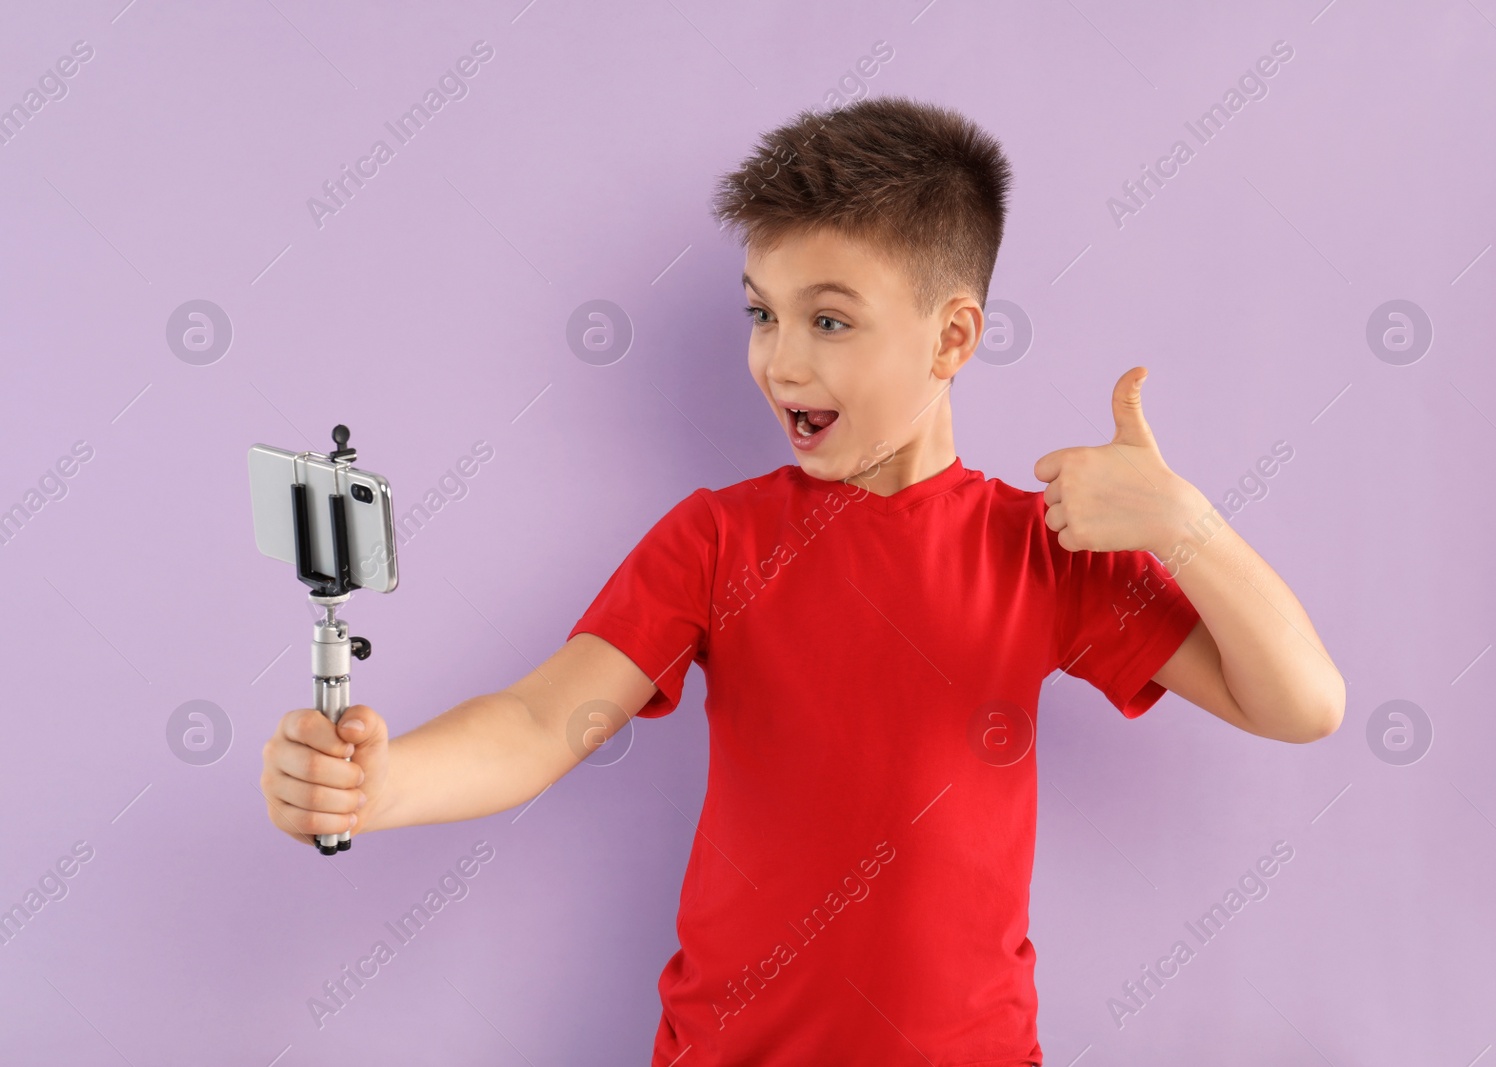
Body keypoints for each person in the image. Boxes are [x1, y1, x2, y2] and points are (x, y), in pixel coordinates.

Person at [260, 95, 1345, 1065]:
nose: (779, 359)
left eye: (828, 319)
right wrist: (385, 784)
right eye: (761, 312)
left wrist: (1184, 524)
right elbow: (546, 718)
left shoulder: (1037, 550)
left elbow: (1302, 703)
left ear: (952, 335)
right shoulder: (714, 539)